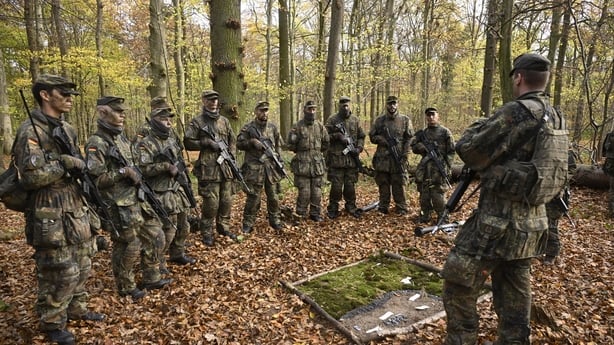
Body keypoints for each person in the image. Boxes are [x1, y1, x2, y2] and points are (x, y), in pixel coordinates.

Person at [441, 53, 566, 344]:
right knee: (515, 296)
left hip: (496, 225)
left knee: (458, 283)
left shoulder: (518, 112)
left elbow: (470, 150)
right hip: (533, 226)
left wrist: (478, 124)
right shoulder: (556, 115)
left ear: (519, 77)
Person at [14, 74, 104, 345]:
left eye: (70, 95)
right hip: (49, 209)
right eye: (62, 93)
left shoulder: (68, 128)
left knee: (84, 261)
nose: (68, 99)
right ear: (44, 95)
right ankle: (52, 320)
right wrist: (62, 163)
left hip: (74, 204)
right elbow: (30, 178)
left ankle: (76, 308)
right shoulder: (31, 131)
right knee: (59, 267)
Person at [85, 96, 172, 302]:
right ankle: (126, 285)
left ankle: (151, 276)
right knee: (128, 245)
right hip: (118, 205)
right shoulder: (96, 142)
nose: (122, 115)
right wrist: (122, 172)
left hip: (136, 200)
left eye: (123, 112)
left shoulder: (122, 139)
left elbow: (137, 167)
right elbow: (94, 180)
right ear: (103, 112)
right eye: (118, 111)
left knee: (156, 234)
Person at [136, 107, 196, 272]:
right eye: (164, 119)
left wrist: (182, 175)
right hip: (160, 192)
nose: (169, 122)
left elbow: (178, 160)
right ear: (155, 120)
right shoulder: (145, 143)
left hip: (176, 188)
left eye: (170, 119)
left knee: (184, 225)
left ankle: (177, 253)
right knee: (167, 229)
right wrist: (164, 167)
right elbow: (143, 169)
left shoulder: (170, 139)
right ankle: (158, 262)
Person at [183, 90, 238, 246]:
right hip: (209, 169)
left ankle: (224, 228)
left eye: (215, 99)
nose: (213, 102)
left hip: (225, 167)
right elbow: (187, 142)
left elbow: (232, 139)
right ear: (203, 101)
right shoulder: (197, 122)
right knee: (211, 203)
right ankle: (206, 232)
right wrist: (205, 143)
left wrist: (231, 155)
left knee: (226, 200)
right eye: (210, 99)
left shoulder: (224, 121)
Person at [236, 101, 284, 233]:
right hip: (254, 168)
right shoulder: (248, 128)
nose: (264, 113)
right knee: (253, 197)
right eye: (261, 110)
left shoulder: (273, 128)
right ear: (256, 112)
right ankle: (248, 223)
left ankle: (275, 221)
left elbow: (278, 146)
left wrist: (279, 160)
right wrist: (251, 142)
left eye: (266, 110)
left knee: (273, 196)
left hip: (270, 168)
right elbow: (239, 143)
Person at [368, 95, 413, 215]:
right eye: (390, 104)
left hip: (398, 157)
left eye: (394, 103)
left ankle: (401, 207)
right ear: (386, 105)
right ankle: (383, 206)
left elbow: (409, 139)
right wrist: (381, 140)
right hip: (382, 158)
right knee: (383, 183)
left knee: (399, 183)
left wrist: (405, 154)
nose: (392, 106)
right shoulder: (379, 120)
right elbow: (372, 136)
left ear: (397, 104)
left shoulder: (405, 120)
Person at [287, 100, 330, 221]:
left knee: (317, 191)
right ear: (304, 110)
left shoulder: (320, 126)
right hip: (302, 164)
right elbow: (290, 145)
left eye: (313, 109)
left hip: (317, 164)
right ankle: (300, 214)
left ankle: (315, 214)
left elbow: (326, 142)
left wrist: (317, 153)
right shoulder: (297, 126)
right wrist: (295, 142)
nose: (312, 112)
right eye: (309, 109)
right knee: (304, 192)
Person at [410, 107, 455, 224]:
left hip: (439, 169)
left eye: (433, 115)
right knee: (424, 194)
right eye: (428, 115)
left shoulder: (445, 132)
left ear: (437, 116)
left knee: (438, 194)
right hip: (425, 169)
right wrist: (421, 147)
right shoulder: (423, 133)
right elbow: (413, 146)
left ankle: (443, 217)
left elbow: (451, 151)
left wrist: (447, 166)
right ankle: (425, 215)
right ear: (426, 117)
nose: (431, 117)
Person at [324, 96, 366, 219]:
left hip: (351, 161)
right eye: (343, 104)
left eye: (347, 104)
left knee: (350, 186)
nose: (345, 107)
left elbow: (361, 136)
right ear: (339, 106)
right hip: (337, 161)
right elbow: (324, 136)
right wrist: (337, 136)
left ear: (350, 105)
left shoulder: (355, 120)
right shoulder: (332, 120)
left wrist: (359, 148)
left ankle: (351, 207)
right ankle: (333, 208)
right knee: (336, 187)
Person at [543, 149, 577, 265]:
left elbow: (572, 169)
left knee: (551, 225)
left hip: (556, 194)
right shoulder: (541, 145)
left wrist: (558, 180)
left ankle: (551, 253)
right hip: (541, 191)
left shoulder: (565, 149)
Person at [602, 131, 614, 217]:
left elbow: (604, 152)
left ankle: (612, 211)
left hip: (610, 164)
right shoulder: (609, 135)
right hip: (611, 164)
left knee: (612, 188)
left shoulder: (609, 135)